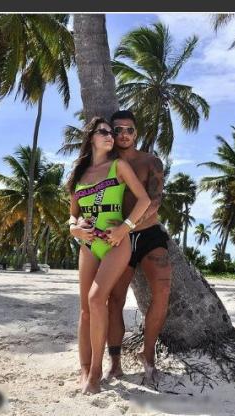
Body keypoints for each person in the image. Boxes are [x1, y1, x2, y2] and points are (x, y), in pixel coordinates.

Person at [67, 117, 151, 394]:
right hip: (88, 245)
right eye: (103, 131)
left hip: (116, 243)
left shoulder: (119, 166)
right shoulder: (79, 174)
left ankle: (96, 372)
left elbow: (144, 200)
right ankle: (83, 368)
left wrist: (125, 228)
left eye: (111, 133)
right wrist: (73, 229)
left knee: (96, 299)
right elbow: (73, 214)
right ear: (90, 137)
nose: (110, 136)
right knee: (84, 310)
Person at [102, 110, 170, 383]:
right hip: (118, 239)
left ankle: (148, 353)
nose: (124, 134)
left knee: (162, 290)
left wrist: (128, 226)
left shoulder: (151, 161)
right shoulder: (105, 164)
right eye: (118, 130)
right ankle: (115, 362)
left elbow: (155, 201)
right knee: (115, 300)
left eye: (129, 129)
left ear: (136, 132)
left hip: (148, 233)